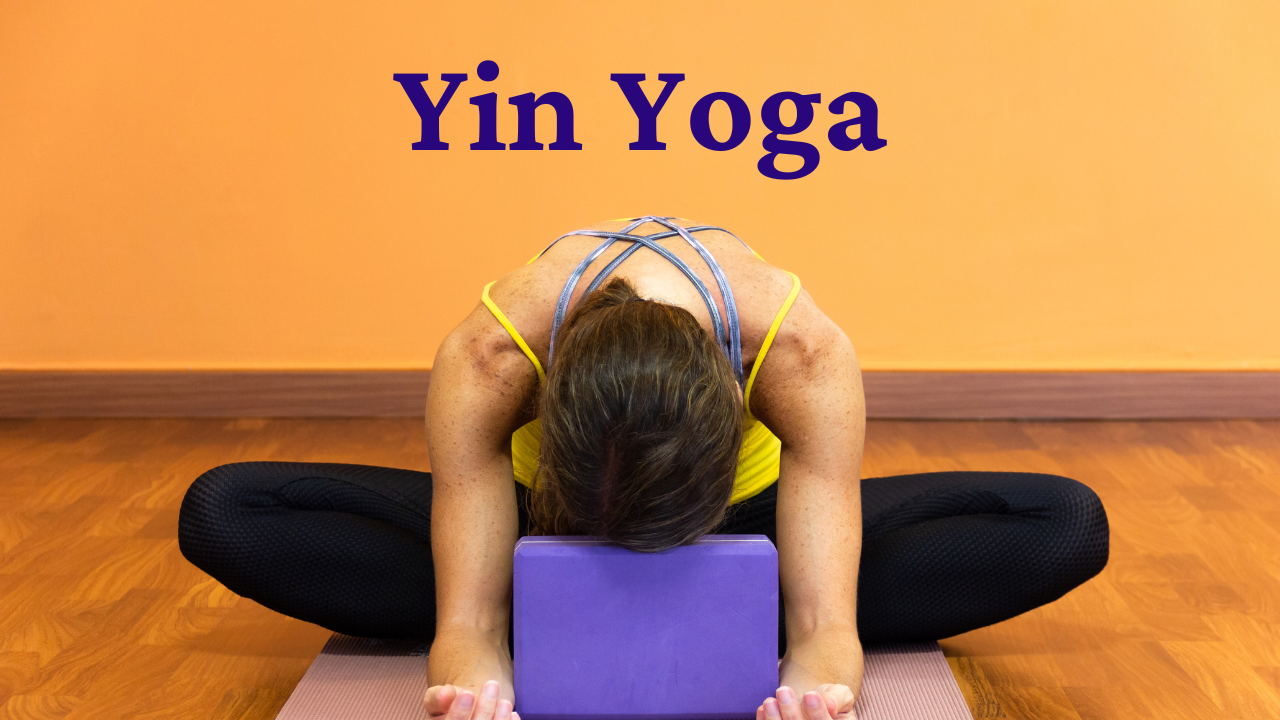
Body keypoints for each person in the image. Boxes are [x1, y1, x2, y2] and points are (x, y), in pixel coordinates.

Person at [179, 216, 1109, 720]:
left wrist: (820, 688)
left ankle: (657, 601)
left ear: (733, 406)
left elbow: (825, 627)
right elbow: (466, 621)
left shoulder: (802, 354)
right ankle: (661, 606)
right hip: (543, 531)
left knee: (1063, 524)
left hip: (742, 530)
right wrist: (475, 683)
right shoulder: (488, 359)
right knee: (228, 510)